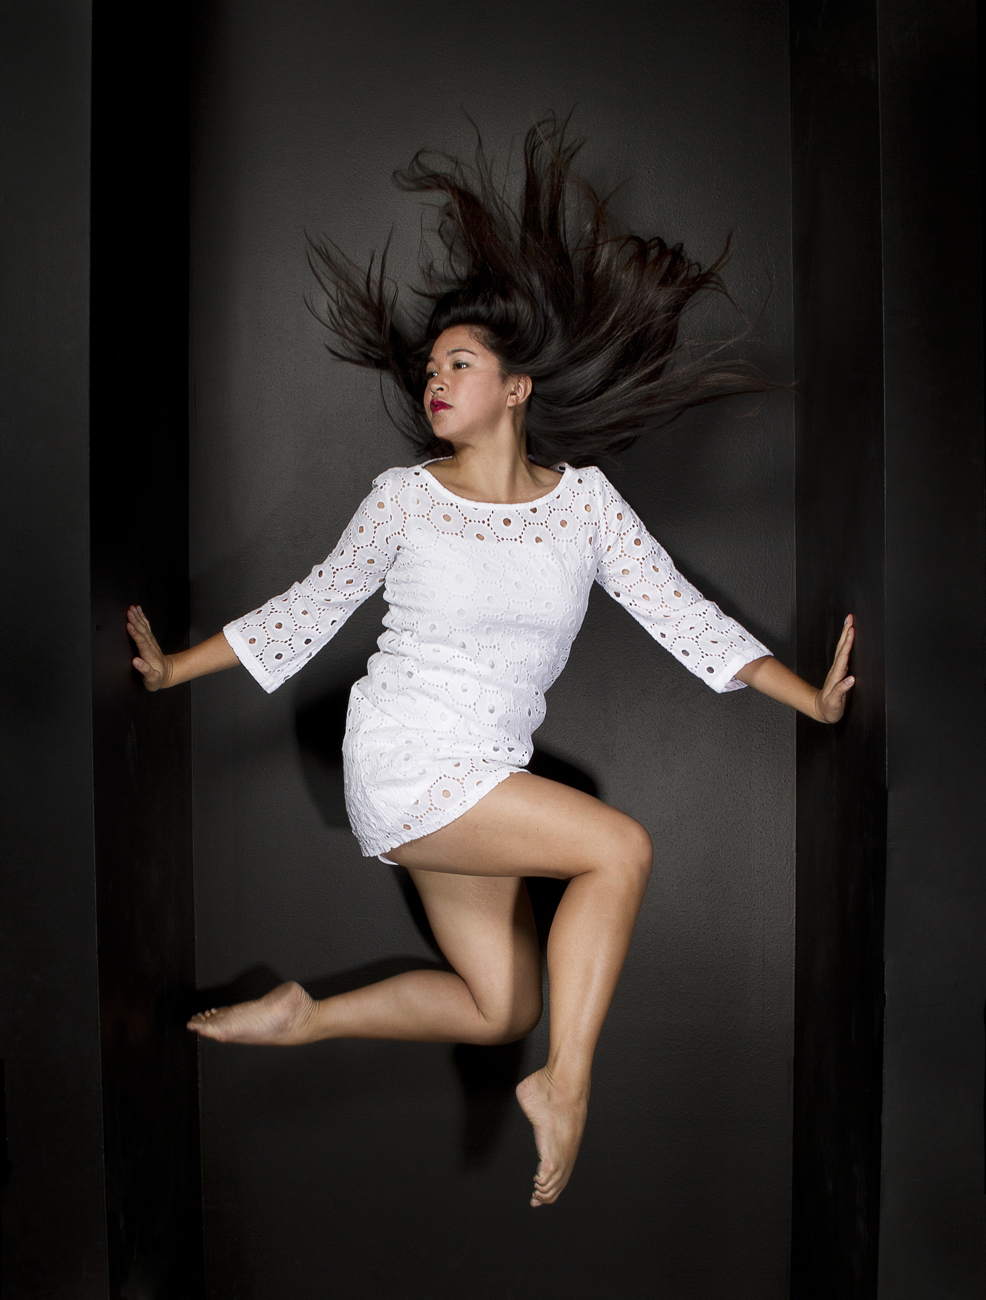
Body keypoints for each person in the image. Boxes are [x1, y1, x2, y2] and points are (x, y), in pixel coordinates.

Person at [127, 119, 854, 1209]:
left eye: (458, 364)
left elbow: (677, 612)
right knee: (618, 849)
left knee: (498, 1004)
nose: (436, 380)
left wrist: (810, 696)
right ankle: (564, 1086)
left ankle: (304, 1015)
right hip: (410, 752)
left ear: (515, 388)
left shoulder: (585, 507)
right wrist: (175, 670)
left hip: (488, 765)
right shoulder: (404, 497)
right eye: (429, 368)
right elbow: (316, 602)